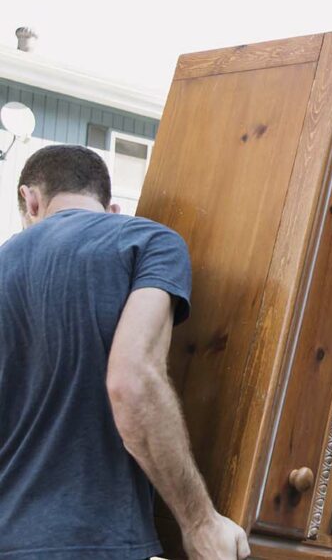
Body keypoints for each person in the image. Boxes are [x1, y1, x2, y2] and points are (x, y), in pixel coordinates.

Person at [0, 145, 248, 560]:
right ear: (111, 208)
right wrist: (200, 523)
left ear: (31, 200)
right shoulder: (146, 241)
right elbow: (132, 382)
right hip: (93, 543)